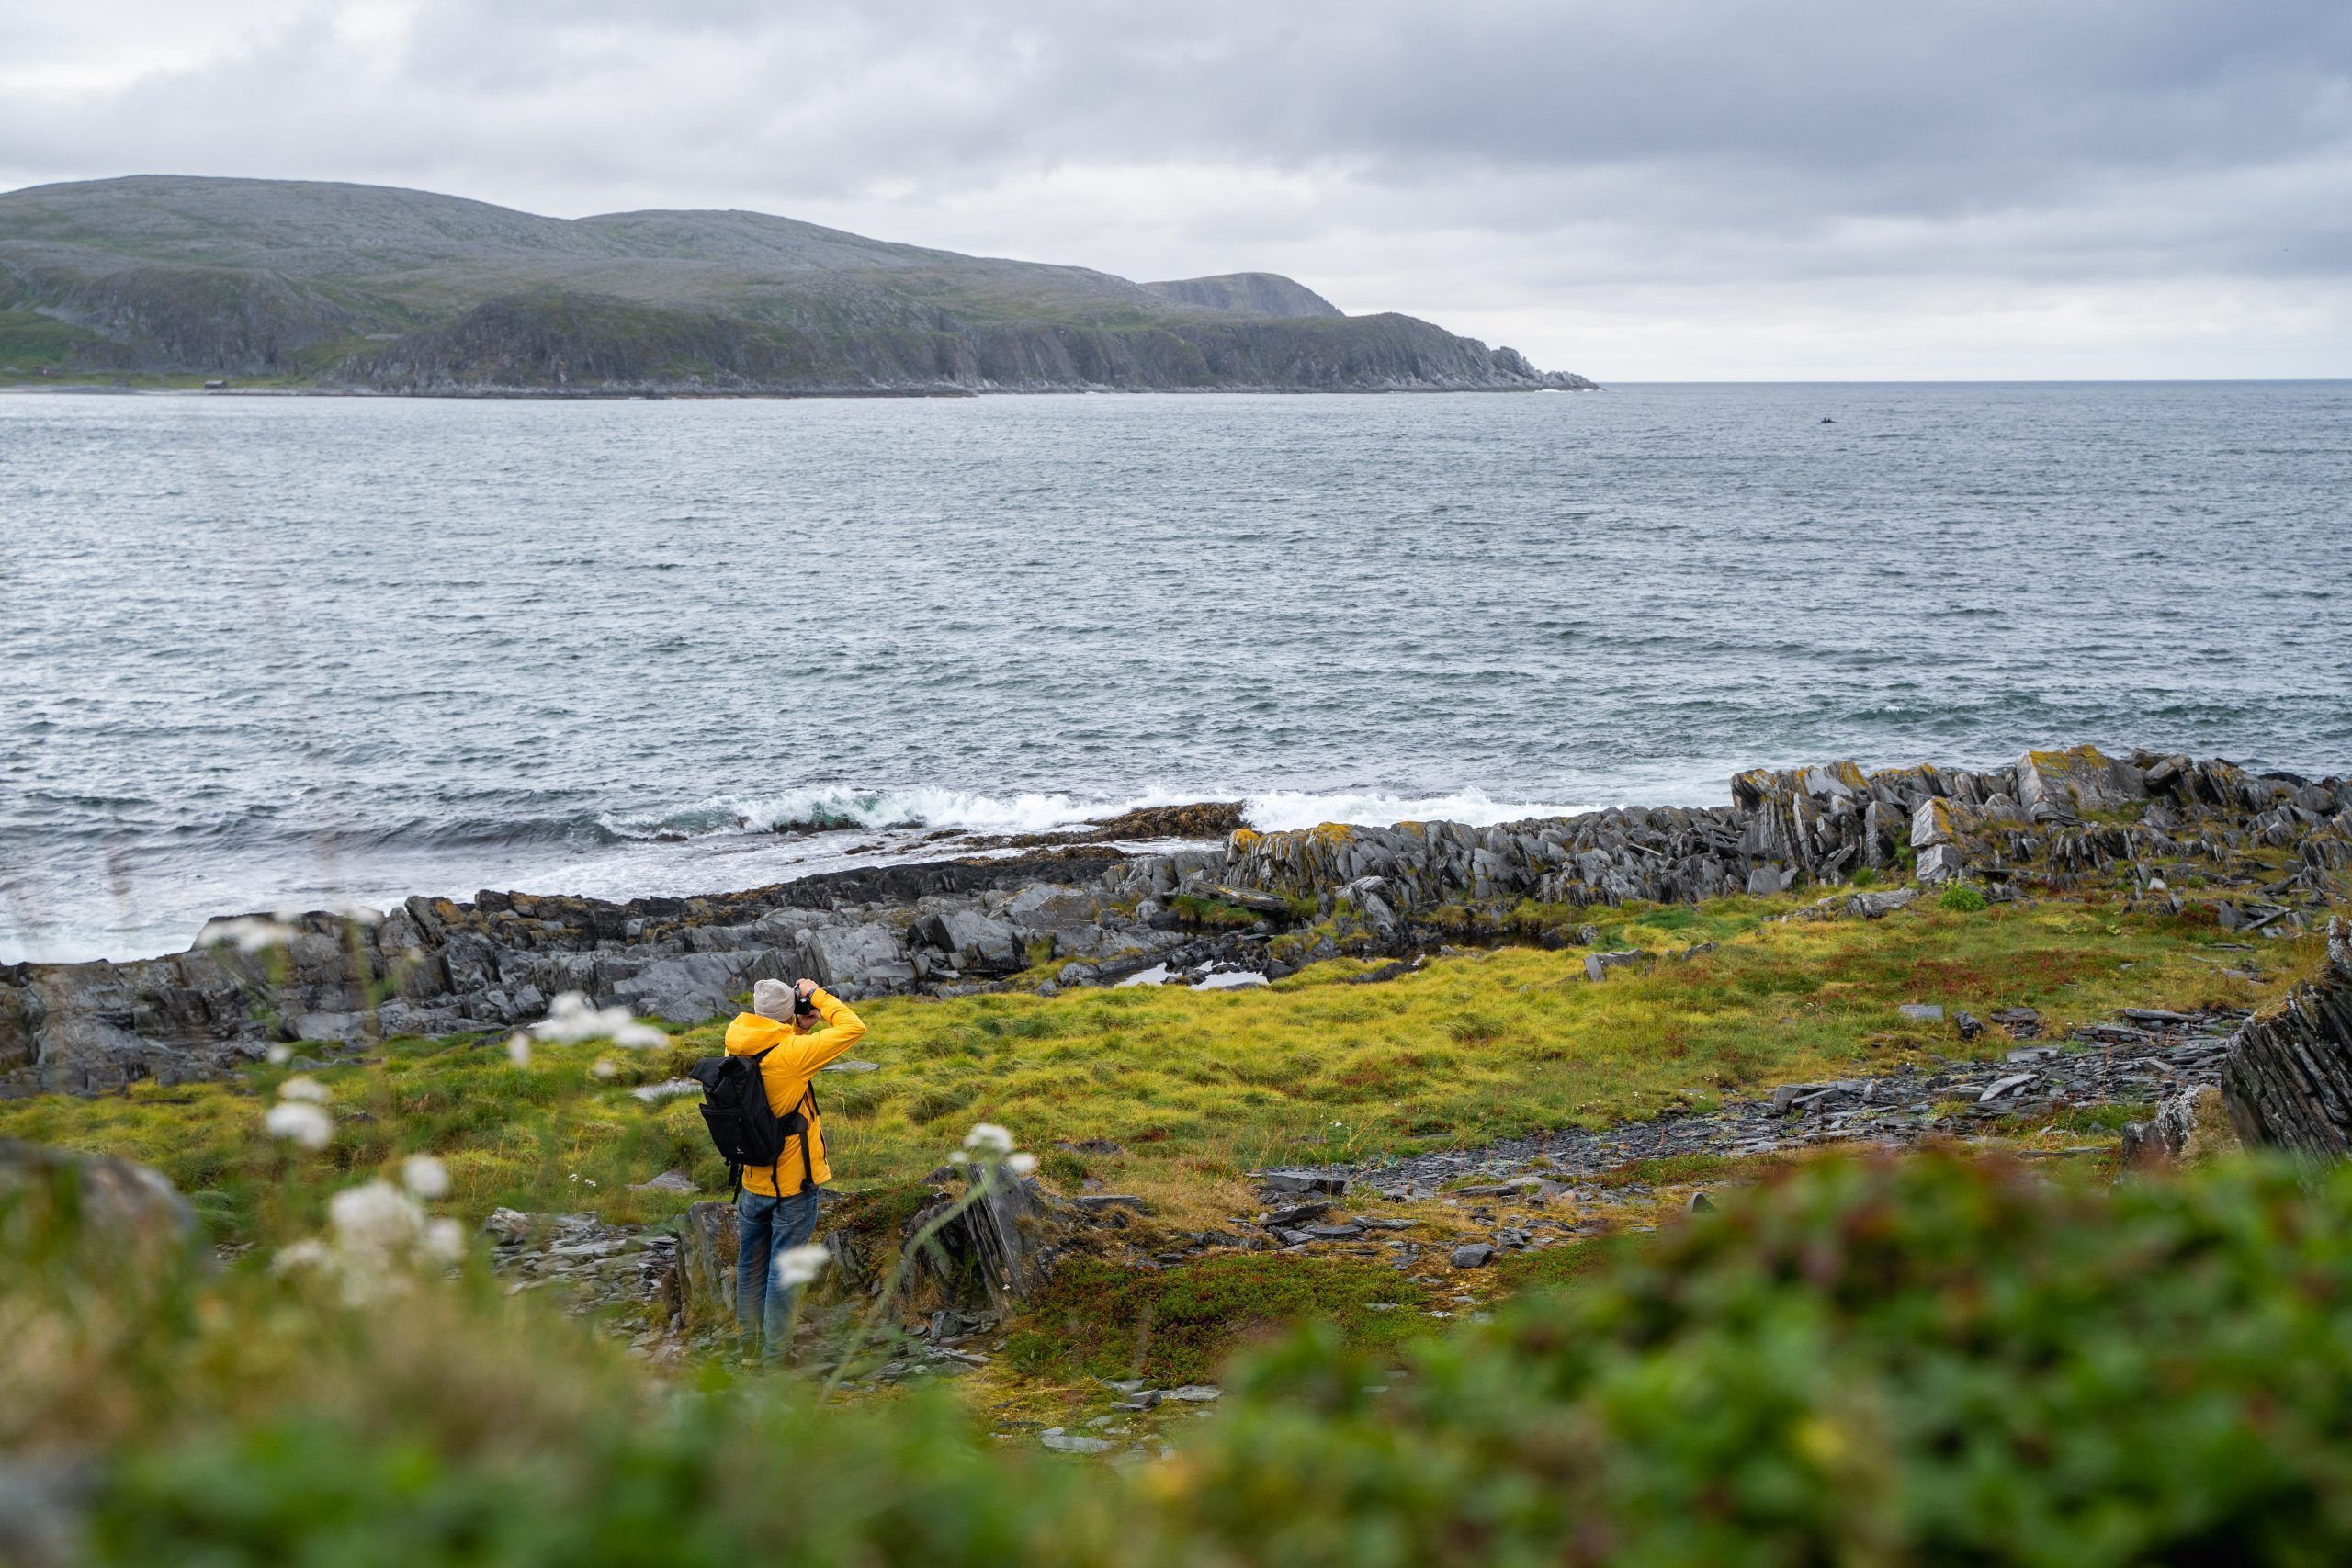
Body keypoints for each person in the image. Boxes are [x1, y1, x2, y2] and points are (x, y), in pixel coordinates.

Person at [726, 974, 866, 1362]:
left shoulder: (736, 1042)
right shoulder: (793, 1055)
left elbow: (774, 1051)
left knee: (750, 1264)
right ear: (788, 1013)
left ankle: (750, 1348)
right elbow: (853, 1027)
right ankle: (776, 1358)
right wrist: (817, 996)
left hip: (752, 1181)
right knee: (783, 1272)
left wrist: (797, 1025)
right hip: (792, 1186)